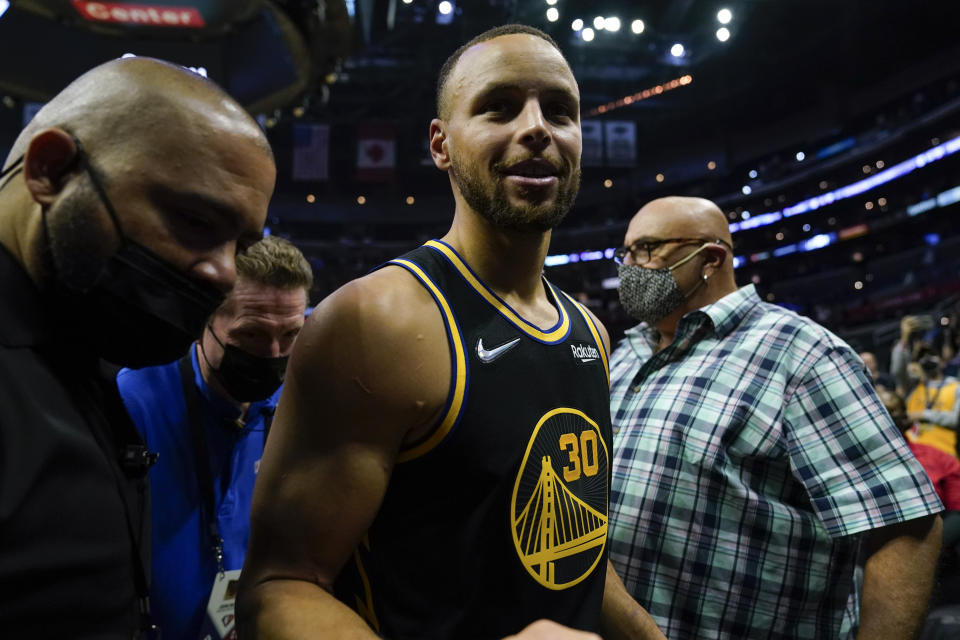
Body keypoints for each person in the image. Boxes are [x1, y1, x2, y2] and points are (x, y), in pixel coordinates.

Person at [238, 24, 664, 640]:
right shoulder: (375, 322)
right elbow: (279, 589)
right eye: (499, 106)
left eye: (560, 110)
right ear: (441, 144)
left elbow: (574, 554)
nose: (537, 126)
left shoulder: (590, 334)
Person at [0, 58, 274, 637]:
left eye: (242, 244)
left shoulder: (77, 348)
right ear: (51, 170)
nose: (225, 273)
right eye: (194, 220)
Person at [607, 196, 944, 639]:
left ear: (711, 258)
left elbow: (906, 525)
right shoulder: (626, 351)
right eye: (625, 252)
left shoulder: (801, 353)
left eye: (647, 249)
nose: (629, 266)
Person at [116, 236, 311, 640]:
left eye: (290, 336)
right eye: (252, 335)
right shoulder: (133, 403)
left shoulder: (300, 407)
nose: (273, 353)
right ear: (204, 320)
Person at [903, 345, 959, 458]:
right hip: (915, 451)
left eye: (931, 356)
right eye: (923, 357)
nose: (927, 360)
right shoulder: (915, 387)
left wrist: (922, 414)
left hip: (945, 450)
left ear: (941, 361)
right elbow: (897, 370)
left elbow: (955, 420)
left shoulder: (955, 387)